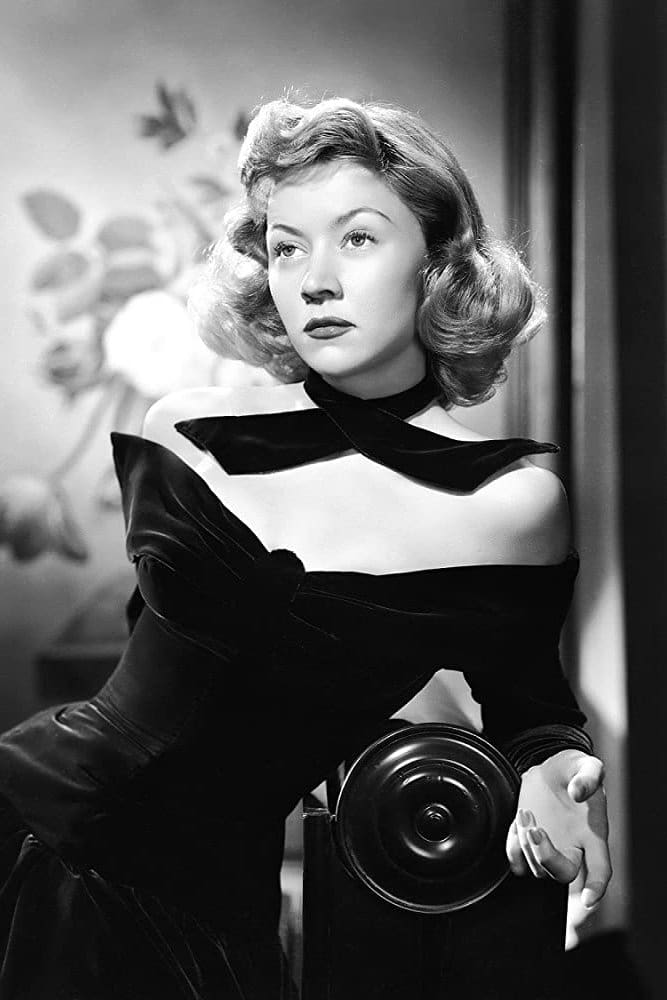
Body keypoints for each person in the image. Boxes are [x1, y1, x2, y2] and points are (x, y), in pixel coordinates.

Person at [0, 96, 610, 998]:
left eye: (357, 238)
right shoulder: (184, 432)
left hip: (212, 909)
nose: (315, 280)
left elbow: (529, 706)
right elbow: (173, 668)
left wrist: (557, 773)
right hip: (32, 831)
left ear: (438, 261)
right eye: (287, 247)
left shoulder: (510, 505)